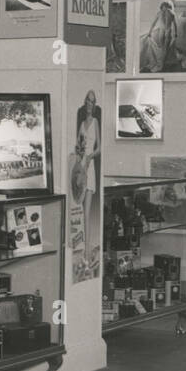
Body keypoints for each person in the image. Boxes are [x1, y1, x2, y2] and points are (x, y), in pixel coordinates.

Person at [76, 90, 101, 265]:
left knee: (87, 211)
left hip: (90, 166)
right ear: (85, 103)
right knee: (78, 209)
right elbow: (78, 147)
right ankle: (81, 249)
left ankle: (87, 252)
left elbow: (99, 147)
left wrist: (90, 157)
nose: (90, 105)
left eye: (92, 102)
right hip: (80, 166)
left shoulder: (96, 123)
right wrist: (79, 161)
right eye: (88, 101)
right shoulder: (82, 124)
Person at [140, 0, 178, 72]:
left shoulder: (171, 13)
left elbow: (175, 24)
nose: (165, 8)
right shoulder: (159, 13)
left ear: (168, 7)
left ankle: (163, 64)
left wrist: (175, 33)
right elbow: (154, 23)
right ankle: (161, 62)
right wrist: (150, 32)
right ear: (162, 7)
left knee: (165, 48)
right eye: (163, 7)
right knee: (161, 47)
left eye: (166, 7)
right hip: (162, 31)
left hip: (168, 31)